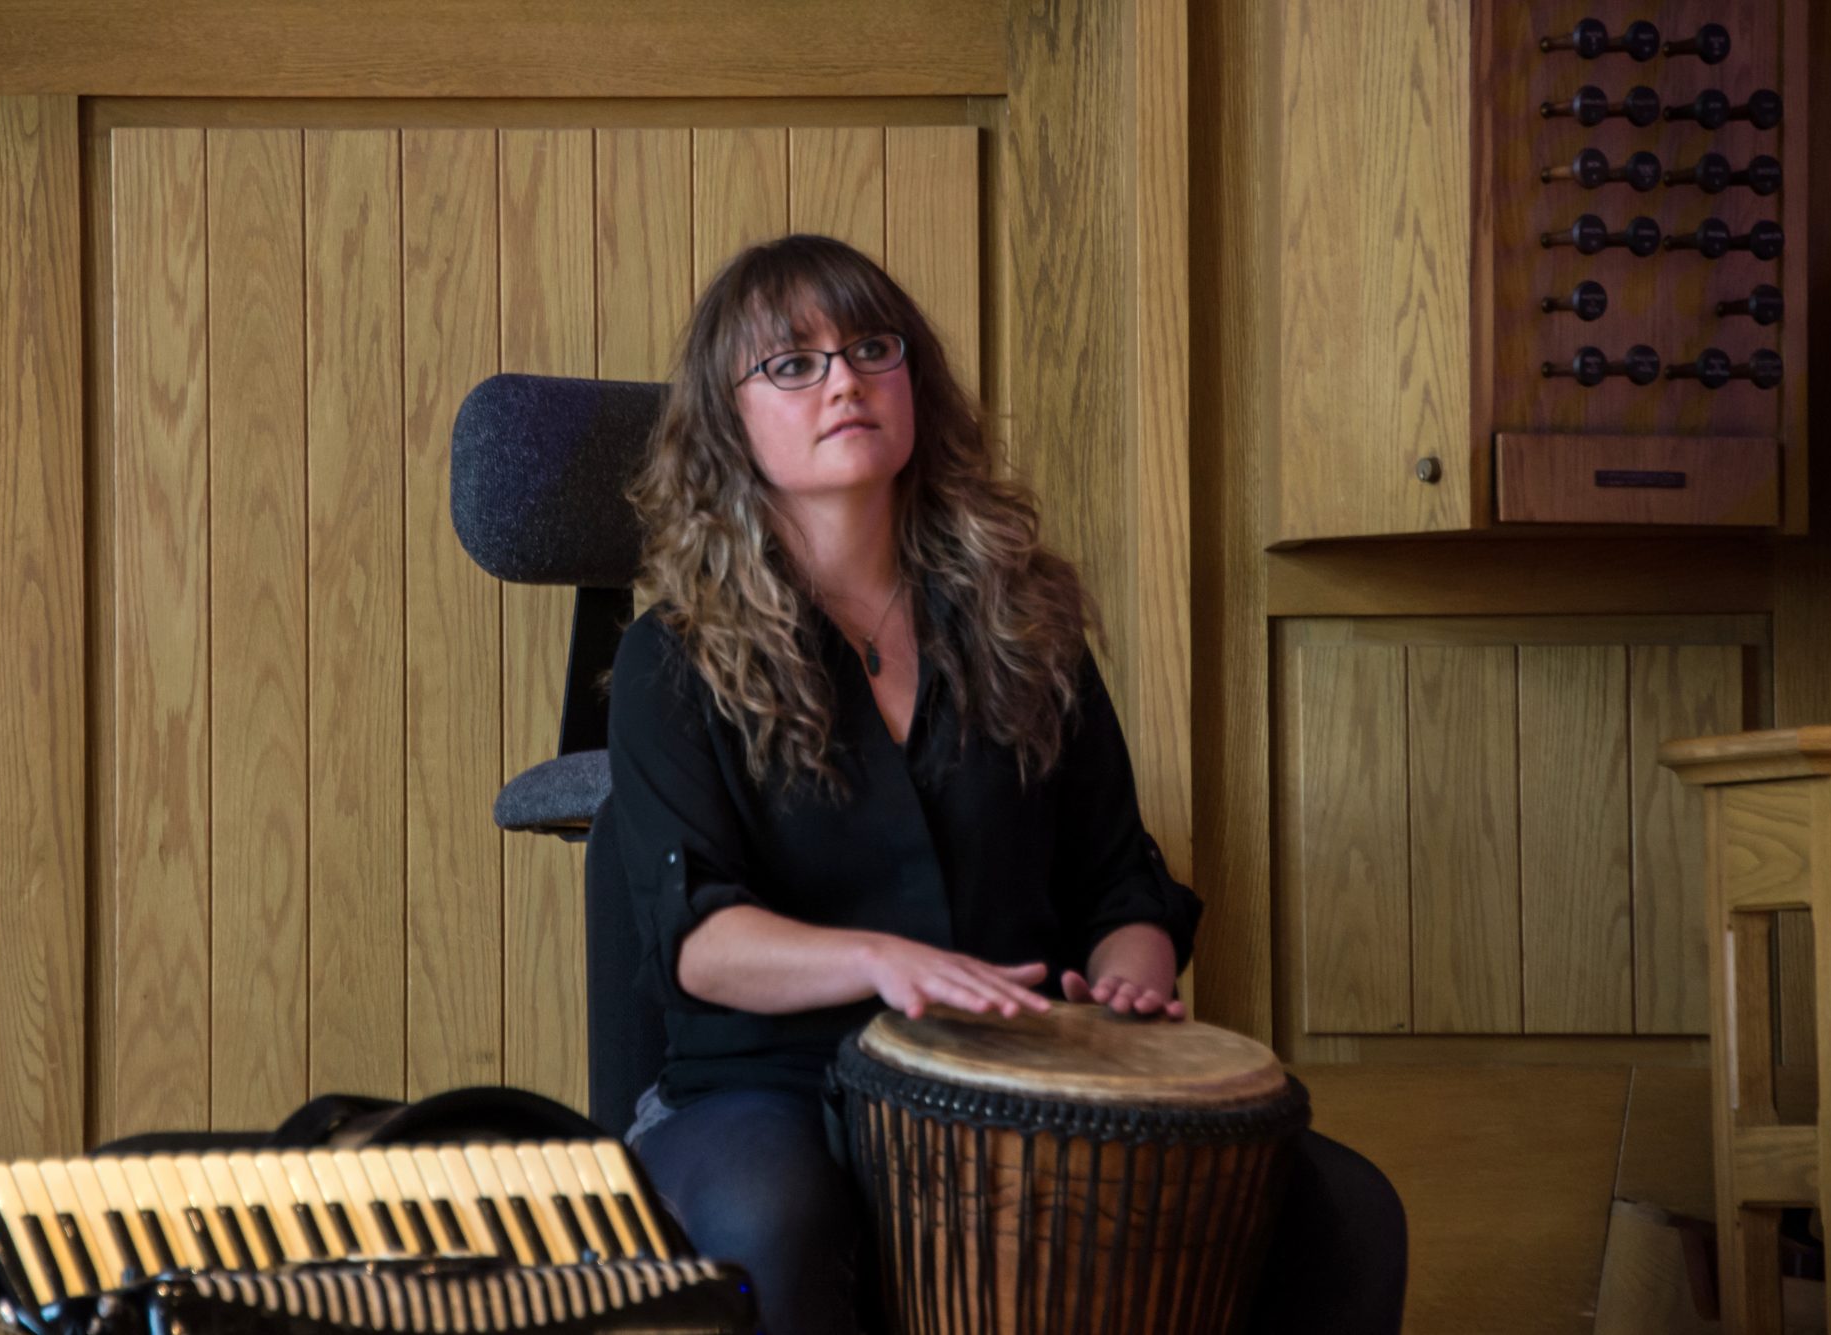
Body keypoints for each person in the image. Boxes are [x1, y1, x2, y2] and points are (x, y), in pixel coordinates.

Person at [590, 233, 1405, 1333]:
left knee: (1344, 1209)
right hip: (771, 1084)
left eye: (869, 349)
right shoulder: (672, 657)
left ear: (911, 382)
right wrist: (887, 962)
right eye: (792, 363)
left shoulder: (1025, 624)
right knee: (773, 1216)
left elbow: (1119, 880)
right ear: (726, 421)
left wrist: (1128, 984)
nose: (843, 379)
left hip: (1018, 1066)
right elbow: (701, 940)